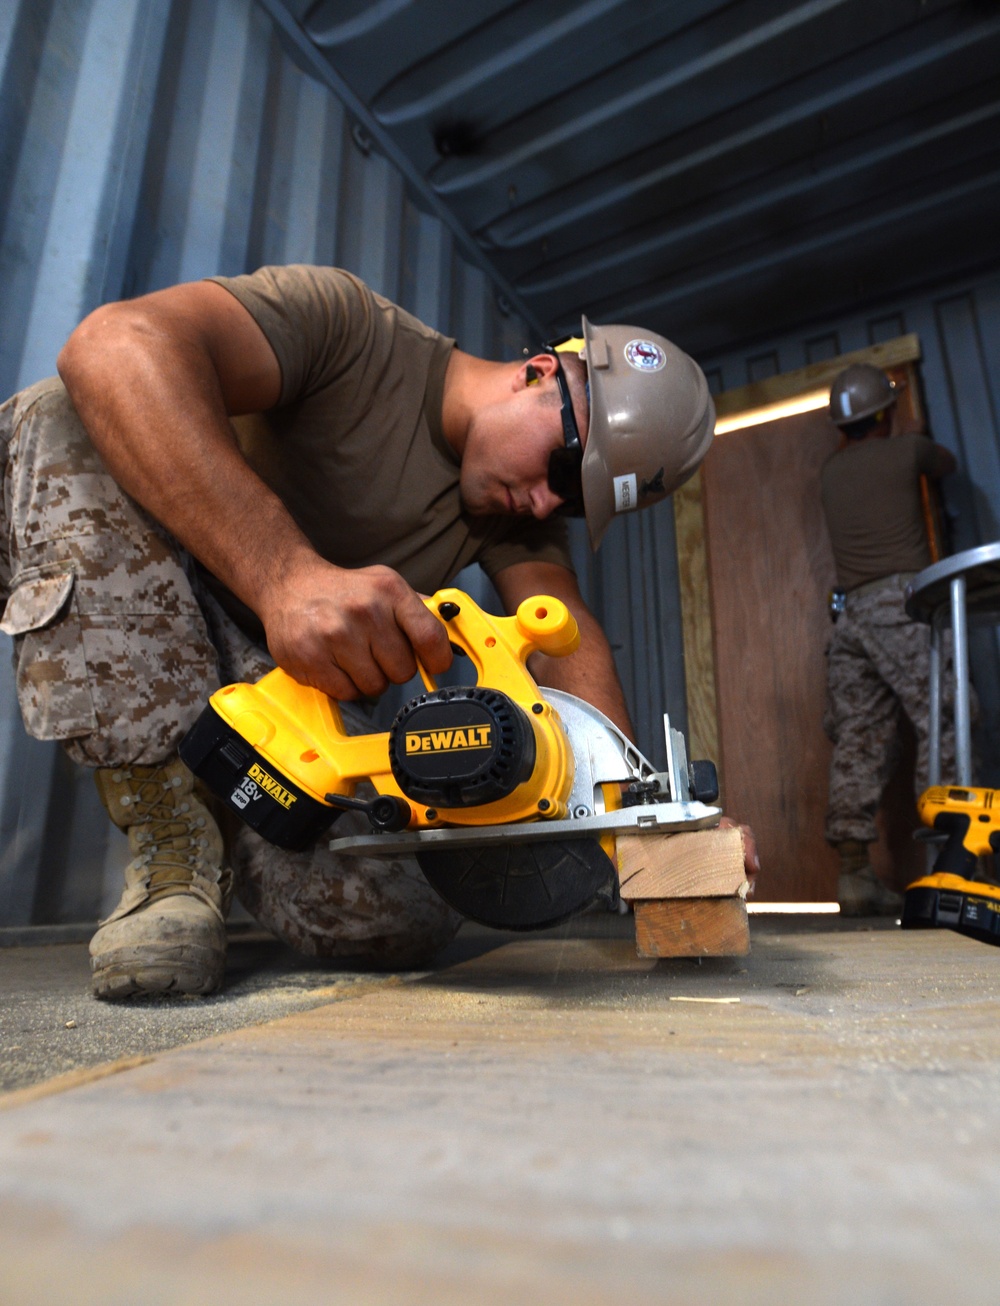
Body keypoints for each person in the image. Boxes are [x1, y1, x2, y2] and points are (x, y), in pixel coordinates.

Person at [0, 264, 747, 999]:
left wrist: (650, 825)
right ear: (542, 373)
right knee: (61, 412)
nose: (549, 503)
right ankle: (171, 851)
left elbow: (565, 635)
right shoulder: (350, 326)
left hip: (279, 691)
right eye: (565, 464)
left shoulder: (510, 513)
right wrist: (283, 575)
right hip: (151, 582)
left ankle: (227, 815)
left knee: (400, 917)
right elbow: (111, 343)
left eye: (576, 503)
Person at [820, 362, 957, 916]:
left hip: (850, 617)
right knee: (946, 715)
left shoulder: (830, 472)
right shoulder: (908, 451)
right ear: (884, 414)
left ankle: (854, 877)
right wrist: (917, 430)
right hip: (902, 603)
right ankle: (952, 863)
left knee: (860, 736)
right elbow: (944, 463)